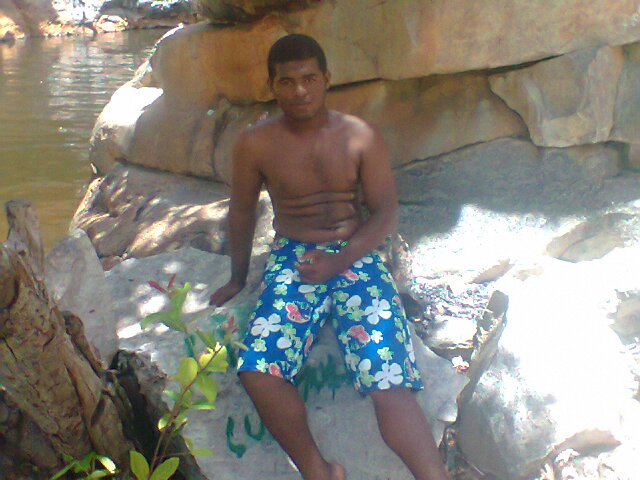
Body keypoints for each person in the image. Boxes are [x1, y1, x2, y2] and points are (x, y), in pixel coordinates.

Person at [209, 34, 449, 480]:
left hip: (354, 253)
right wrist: (237, 278)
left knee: (387, 378)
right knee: (259, 370)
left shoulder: (359, 135)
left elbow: (385, 211)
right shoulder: (255, 143)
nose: (299, 90)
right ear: (272, 86)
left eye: (309, 78)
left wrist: (339, 262)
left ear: (326, 79)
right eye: (287, 81)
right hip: (294, 258)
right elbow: (241, 211)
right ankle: (319, 471)